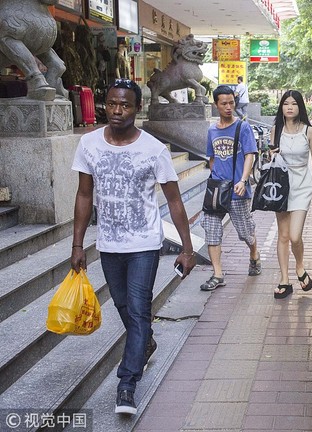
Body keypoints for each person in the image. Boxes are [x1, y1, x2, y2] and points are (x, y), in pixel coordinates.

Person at [70, 79, 196, 415]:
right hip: (109, 244)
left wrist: (186, 247)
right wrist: (78, 243)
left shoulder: (154, 149)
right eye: (111, 104)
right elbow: (84, 195)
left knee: (138, 310)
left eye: (124, 105)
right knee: (125, 308)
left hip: (144, 242)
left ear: (136, 108)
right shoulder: (89, 144)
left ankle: (127, 383)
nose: (116, 111)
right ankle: (146, 343)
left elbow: (175, 200)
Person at [200, 85, 261, 291]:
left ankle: (254, 253)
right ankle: (217, 274)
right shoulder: (212, 130)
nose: (228, 107)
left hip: (238, 190)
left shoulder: (242, 127)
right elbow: (212, 157)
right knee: (212, 230)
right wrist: (216, 177)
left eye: (231, 103)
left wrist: (243, 180)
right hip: (217, 190)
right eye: (224, 103)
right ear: (216, 105)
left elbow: (249, 155)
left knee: (244, 232)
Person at [269, 90, 312, 299]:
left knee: (294, 235)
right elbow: (270, 158)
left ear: (300, 107)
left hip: (302, 186)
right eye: (285, 103)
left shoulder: (309, 131)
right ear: (281, 107)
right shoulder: (276, 130)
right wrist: (271, 153)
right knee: (283, 235)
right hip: (281, 186)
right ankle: (285, 280)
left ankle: (299, 266)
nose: (289, 107)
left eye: (293, 104)